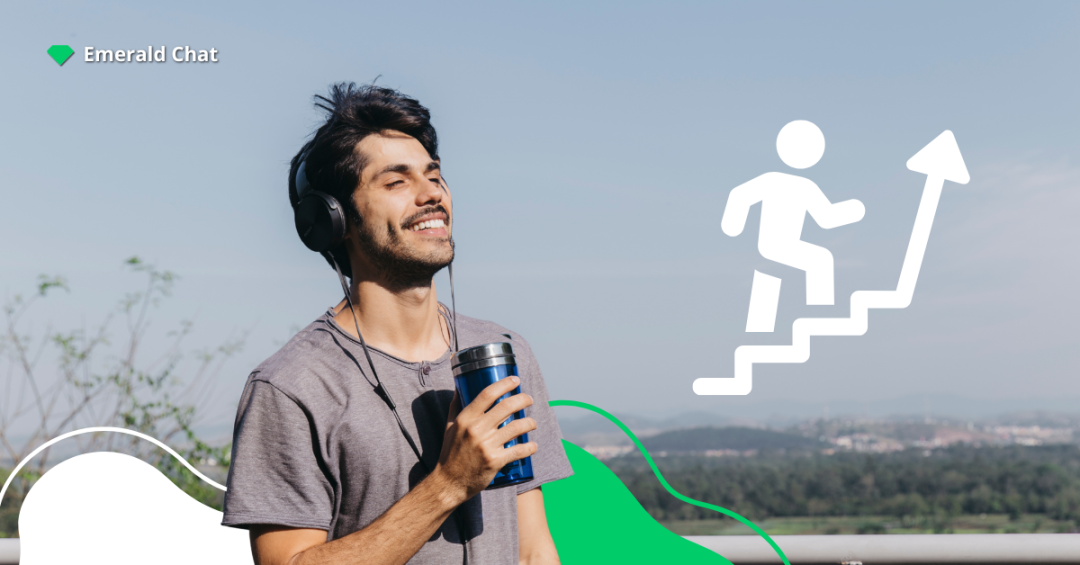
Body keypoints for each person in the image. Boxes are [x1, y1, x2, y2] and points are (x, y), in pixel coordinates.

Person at [221, 82, 573, 565]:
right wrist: (448, 484)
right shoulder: (291, 388)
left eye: (434, 176)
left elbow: (533, 548)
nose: (431, 195)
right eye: (396, 182)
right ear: (333, 220)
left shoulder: (500, 351)